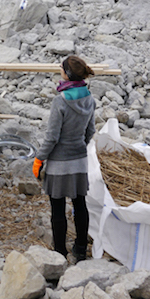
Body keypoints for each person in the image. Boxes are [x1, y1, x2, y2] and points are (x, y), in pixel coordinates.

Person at [32, 55, 96, 262]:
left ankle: (60, 252)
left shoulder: (60, 101)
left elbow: (52, 137)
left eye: (61, 67)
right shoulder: (89, 98)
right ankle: (80, 248)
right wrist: (79, 147)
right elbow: (90, 131)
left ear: (67, 74)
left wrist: (39, 159)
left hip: (59, 164)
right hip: (79, 161)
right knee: (80, 204)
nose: (59, 69)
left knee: (57, 208)